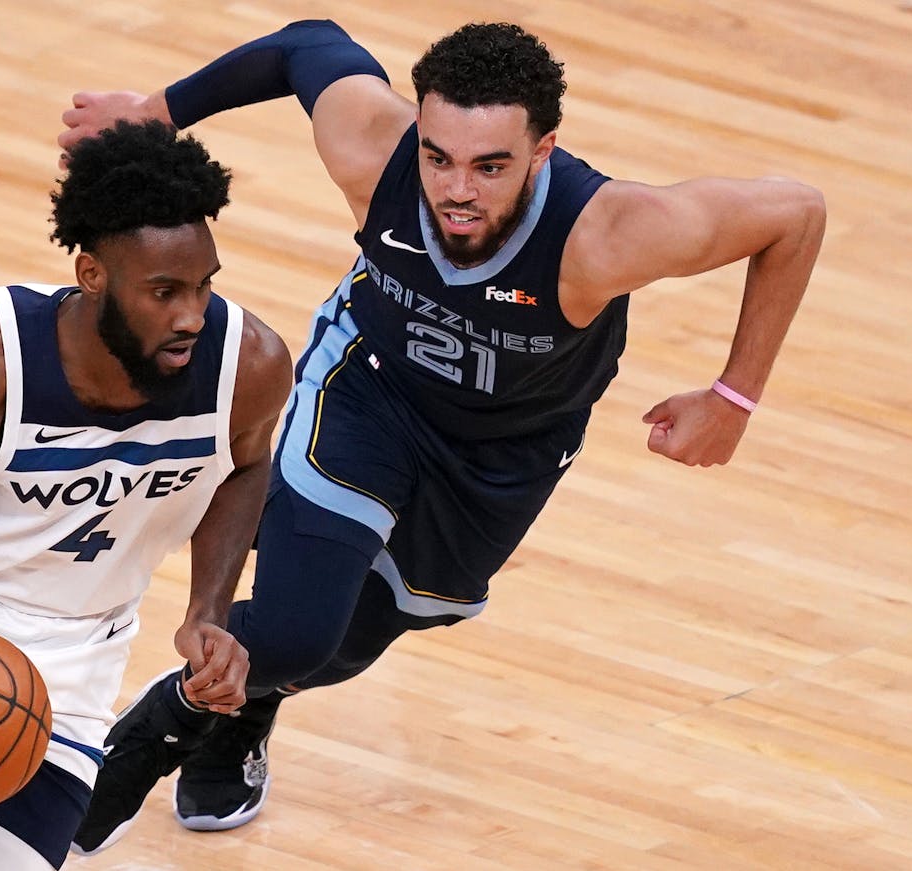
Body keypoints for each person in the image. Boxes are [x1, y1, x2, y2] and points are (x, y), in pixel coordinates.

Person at [59, 20, 826, 852]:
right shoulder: (373, 151)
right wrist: (157, 111)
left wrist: (734, 395)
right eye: (439, 156)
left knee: (350, 644)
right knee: (294, 627)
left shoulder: (608, 233)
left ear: (542, 150)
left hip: (504, 454)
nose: (457, 188)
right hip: (369, 392)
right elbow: (306, 43)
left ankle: (253, 702)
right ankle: (150, 734)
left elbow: (796, 215)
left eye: (490, 165)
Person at [0, 120, 292, 870]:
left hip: (81, 659)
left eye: (206, 284)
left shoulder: (246, 365)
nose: (192, 313)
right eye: (164, 291)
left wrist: (206, 612)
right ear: (90, 275)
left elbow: (247, 468)